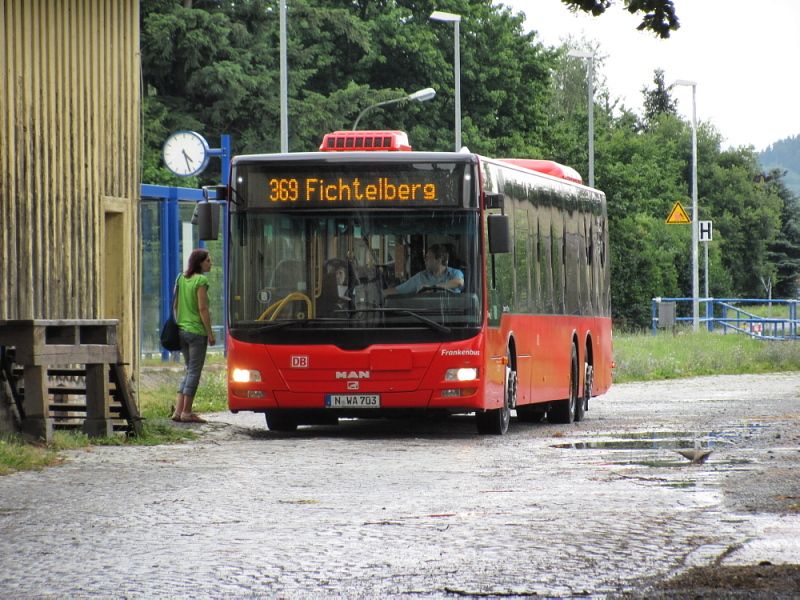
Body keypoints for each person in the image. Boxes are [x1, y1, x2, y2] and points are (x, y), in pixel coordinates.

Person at [171, 248, 215, 423]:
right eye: (208, 261)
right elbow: (202, 308)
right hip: (197, 332)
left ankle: (178, 411)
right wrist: (210, 334)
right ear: (200, 263)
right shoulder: (201, 281)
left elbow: (175, 305)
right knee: (194, 372)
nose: (210, 263)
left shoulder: (181, 278)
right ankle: (187, 412)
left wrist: (179, 322)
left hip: (182, 331)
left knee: (189, 370)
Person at [385, 244, 464, 295]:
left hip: (451, 317)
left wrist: (431, 288)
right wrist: (380, 293)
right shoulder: (421, 276)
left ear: (439, 259)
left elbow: (459, 282)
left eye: (428, 258)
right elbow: (398, 290)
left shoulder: (455, 273)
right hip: (424, 317)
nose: (425, 261)